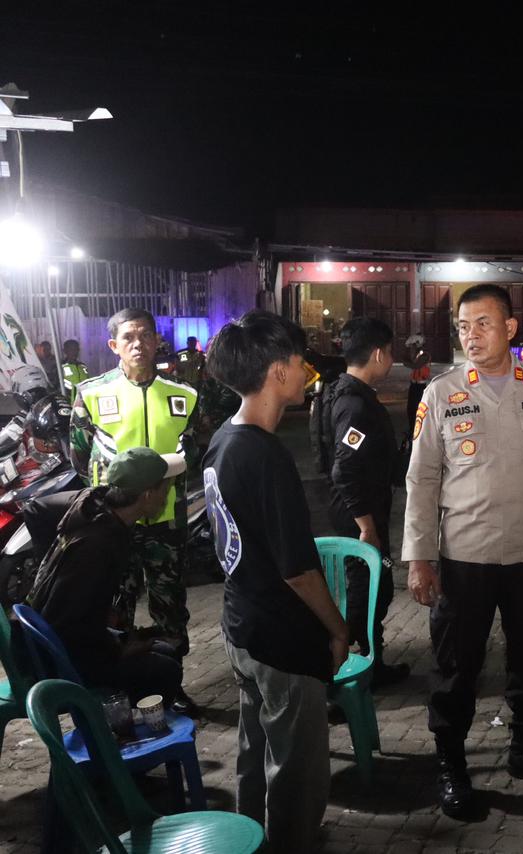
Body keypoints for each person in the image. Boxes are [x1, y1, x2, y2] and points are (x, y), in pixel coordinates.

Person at [402, 284, 523, 819]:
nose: (472, 335)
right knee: (455, 667)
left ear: (510, 328)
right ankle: (451, 765)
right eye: (464, 326)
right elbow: (421, 479)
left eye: (483, 324)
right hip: (464, 558)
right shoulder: (442, 392)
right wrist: (419, 557)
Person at [203, 311, 348, 854]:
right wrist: (338, 629)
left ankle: (253, 838)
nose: (307, 369)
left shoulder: (224, 439)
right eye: (300, 359)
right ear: (278, 370)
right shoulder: (264, 456)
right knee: (297, 767)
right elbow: (298, 571)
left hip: (242, 626)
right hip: (281, 639)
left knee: (255, 748)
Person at [69, 308, 200, 706]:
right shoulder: (91, 393)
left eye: (145, 335)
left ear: (158, 341)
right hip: (114, 524)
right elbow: (79, 456)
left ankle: (171, 686)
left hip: (166, 521)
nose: (138, 344)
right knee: (114, 607)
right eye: (128, 337)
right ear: (114, 345)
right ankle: (120, 690)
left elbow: (194, 451)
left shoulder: (184, 394)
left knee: (170, 606)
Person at [26, 447, 187, 706]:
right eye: (165, 489)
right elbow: (70, 626)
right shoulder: (98, 546)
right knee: (164, 670)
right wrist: (119, 649)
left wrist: (47, 567)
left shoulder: (93, 503)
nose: (167, 498)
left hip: (66, 636)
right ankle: (122, 727)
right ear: (147, 495)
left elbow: (35, 508)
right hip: (58, 656)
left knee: (165, 650)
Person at [318, 317, 409, 689]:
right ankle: (352, 668)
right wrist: (366, 526)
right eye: (390, 352)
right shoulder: (354, 405)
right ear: (378, 354)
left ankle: (372, 659)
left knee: (374, 585)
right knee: (367, 588)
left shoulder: (344, 392)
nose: (391, 359)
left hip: (362, 509)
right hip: (358, 515)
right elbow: (344, 469)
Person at [404, 333, 432, 421]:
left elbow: (415, 365)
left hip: (420, 385)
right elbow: (409, 360)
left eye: (415, 344)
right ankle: (412, 426)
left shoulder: (425, 355)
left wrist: (407, 363)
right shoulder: (417, 354)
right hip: (414, 384)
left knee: (418, 408)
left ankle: (418, 426)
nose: (413, 346)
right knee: (411, 408)